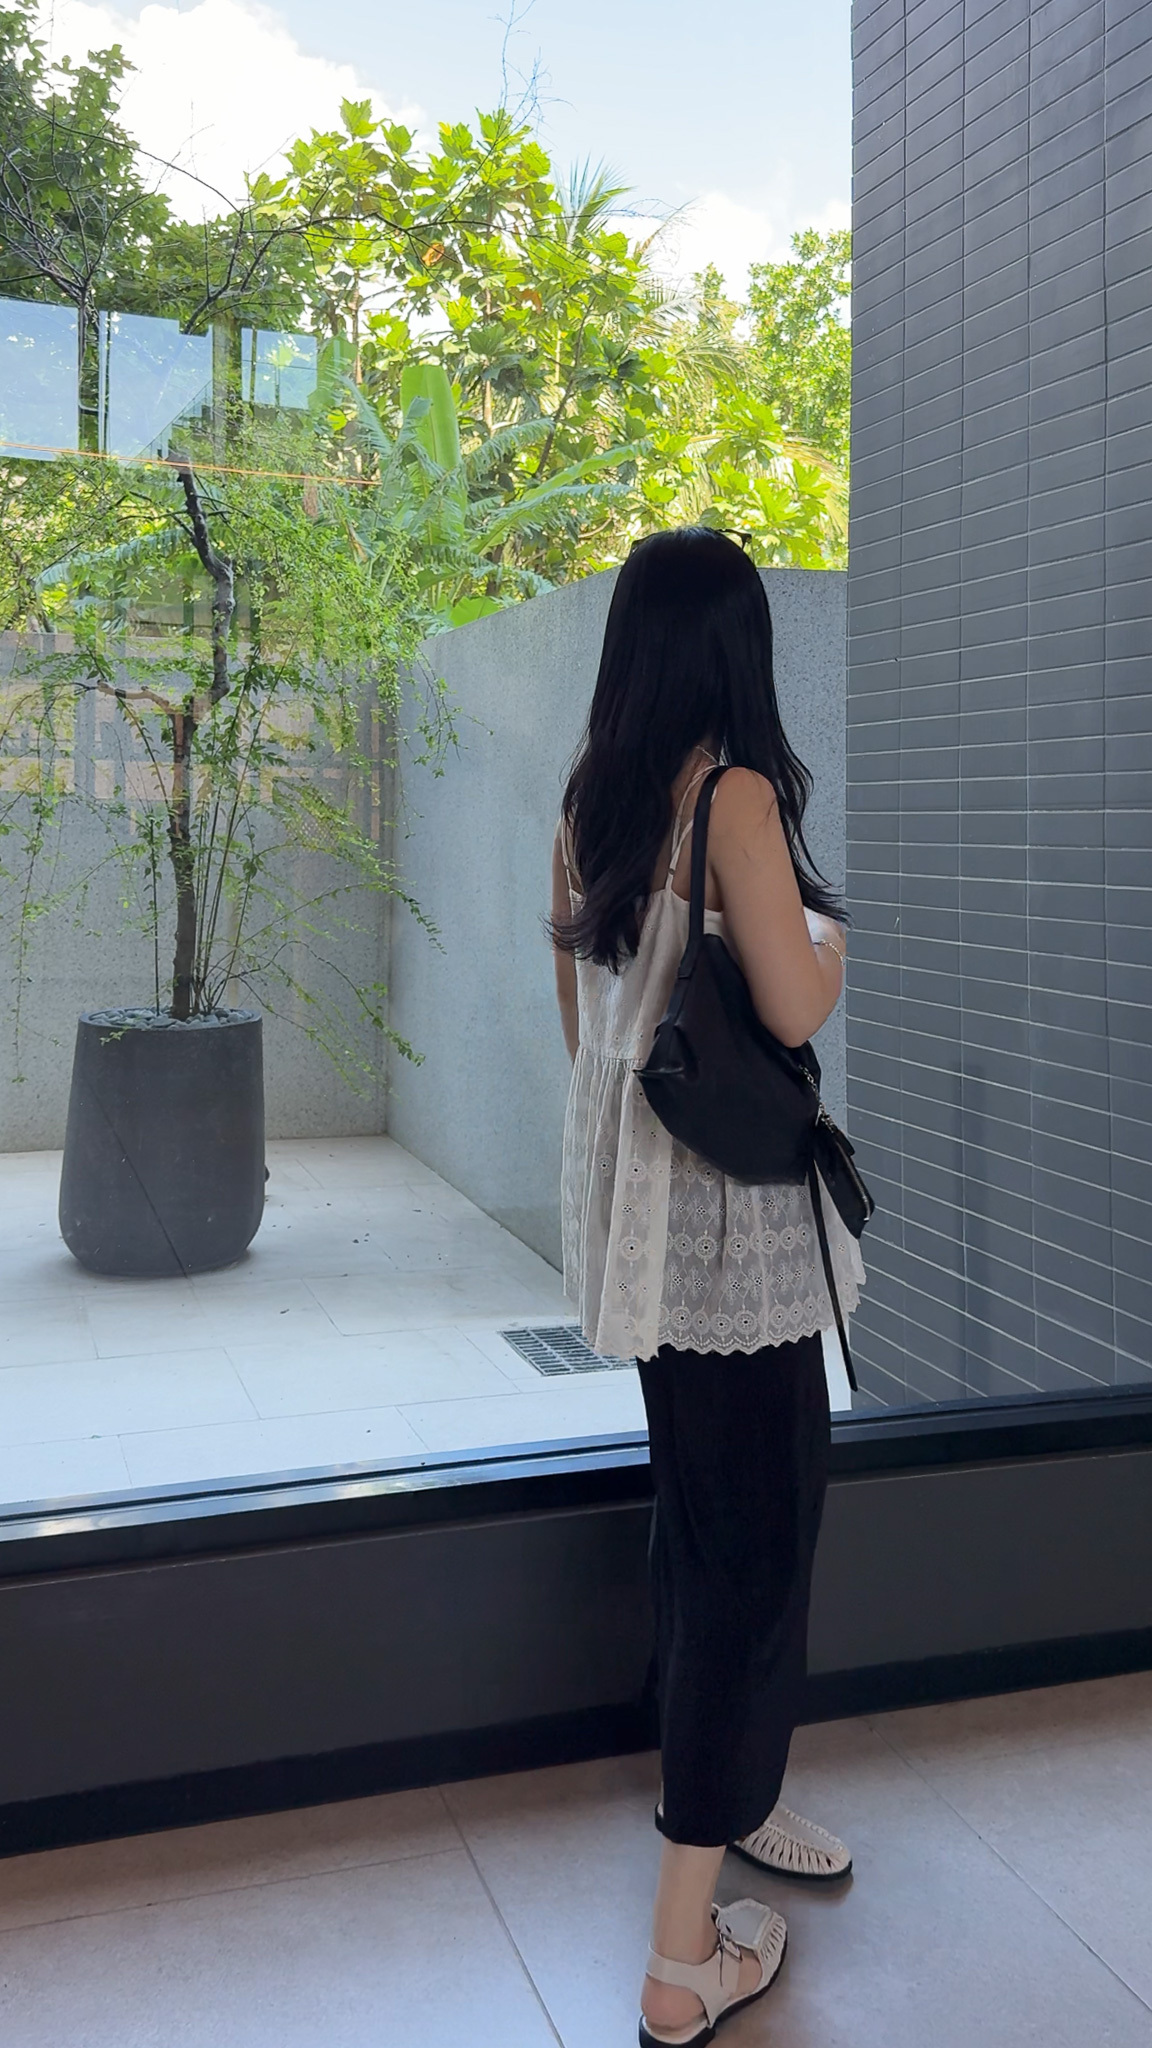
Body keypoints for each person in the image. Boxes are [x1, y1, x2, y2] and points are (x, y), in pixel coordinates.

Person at [550, 527, 865, 2046]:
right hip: (733, 1238)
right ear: (737, 649)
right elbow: (795, 1008)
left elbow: (585, 1030)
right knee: (755, 1555)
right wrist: (824, 942)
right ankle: (684, 1959)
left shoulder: (591, 799)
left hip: (644, 1234)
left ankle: (737, 1793)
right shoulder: (733, 797)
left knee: (704, 1530)